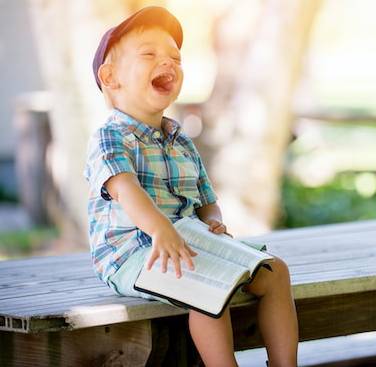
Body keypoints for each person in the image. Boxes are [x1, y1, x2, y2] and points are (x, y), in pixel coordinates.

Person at [84, 6, 298, 366]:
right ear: (110, 77)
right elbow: (125, 189)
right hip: (132, 253)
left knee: (275, 271)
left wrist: (213, 220)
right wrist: (160, 229)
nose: (167, 62)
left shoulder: (179, 139)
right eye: (149, 54)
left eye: (175, 57)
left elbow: (205, 198)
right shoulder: (111, 136)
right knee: (206, 287)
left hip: (188, 241)